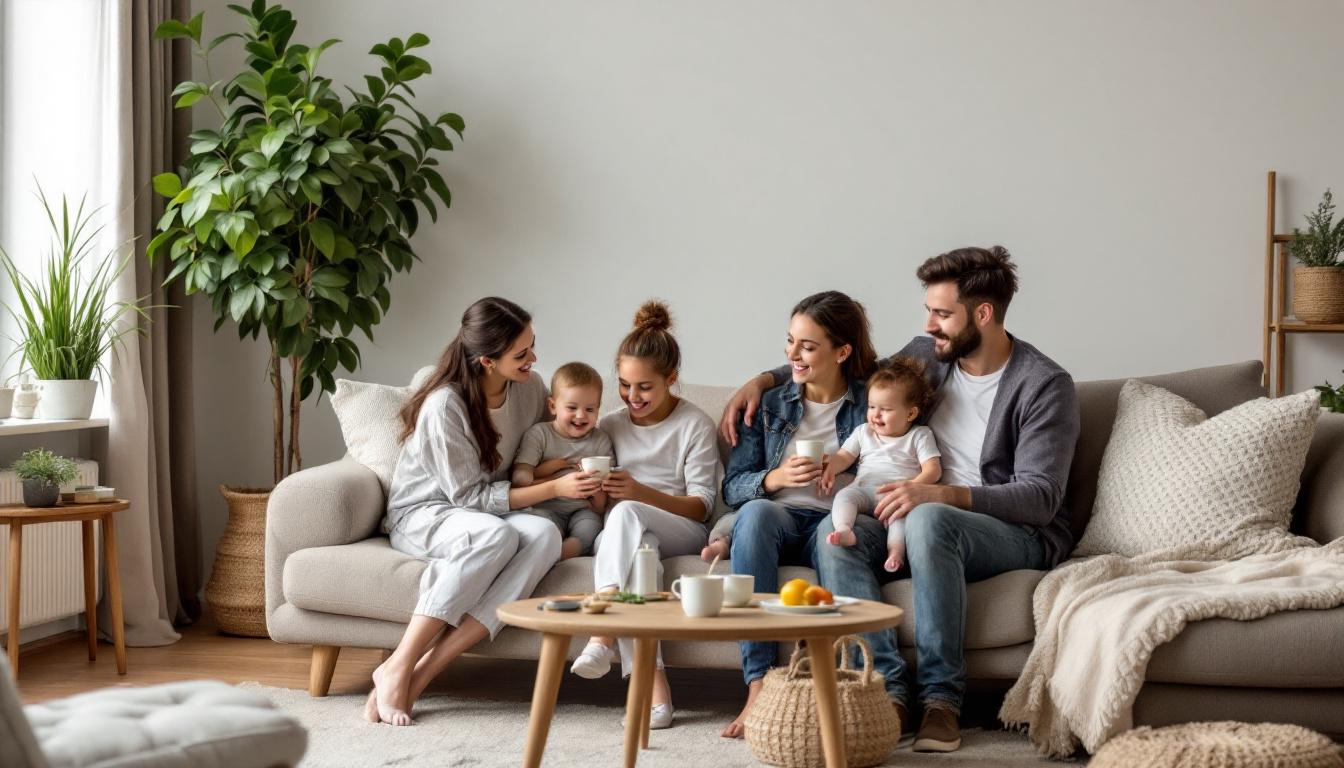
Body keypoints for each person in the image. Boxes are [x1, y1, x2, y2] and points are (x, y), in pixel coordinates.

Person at [719, 247, 1080, 752]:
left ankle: (941, 700)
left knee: (932, 519)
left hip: (1012, 532)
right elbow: (847, 364)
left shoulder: (1043, 385)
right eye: (928, 310)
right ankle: (886, 691)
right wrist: (764, 380)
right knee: (834, 532)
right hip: (908, 511)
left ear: (983, 314)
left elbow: (1040, 499)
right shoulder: (928, 355)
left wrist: (938, 493)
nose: (929, 324)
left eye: (942, 313)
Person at [367, 297, 600, 726]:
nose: (534, 359)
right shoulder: (445, 406)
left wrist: (569, 473)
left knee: (545, 536)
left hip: (488, 512)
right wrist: (554, 487)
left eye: (532, 346)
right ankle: (400, 662)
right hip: (426, 513)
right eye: (522, 353)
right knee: (498, 536)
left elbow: (540, 447)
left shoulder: (529, 389)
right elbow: (469, 499)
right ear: (486, 361)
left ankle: (422, 674)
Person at [717, 290, 880, 739]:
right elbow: (733, 488)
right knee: (754, 514)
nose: (792, 354)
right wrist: (775, 479)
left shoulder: (874, 402)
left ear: (842, 352)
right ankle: (758, 684)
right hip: (781, 518)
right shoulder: (769, 404)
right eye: (790, 341)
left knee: (834, 532)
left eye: (807, 346)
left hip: (839, 518)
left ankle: (865, 690)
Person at [568, 301, 722, 731]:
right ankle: (654, 694)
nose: (632, 398)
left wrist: (639, 492)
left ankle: (601, 630)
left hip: (683, 526)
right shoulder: (611, 425)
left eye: (644, 388)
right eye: (623, 385)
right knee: (643, 554)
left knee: (633, 514)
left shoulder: (694, 424)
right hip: (623, 535)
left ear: (671, 379)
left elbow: (702, 506)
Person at [819, 357, 941, 572]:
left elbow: (933, 469)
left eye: (885, 409)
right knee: (844, 496)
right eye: (872, 406)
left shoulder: (919, 435)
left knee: (900, 520)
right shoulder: (863, 431)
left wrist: (911, 488)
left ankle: (895, 552)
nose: (875, 414)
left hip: (896, 496)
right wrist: (828, 466)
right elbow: (844, 456)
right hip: (864, 491)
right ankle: (845, 529)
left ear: (911, 413)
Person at [511, 362, 614, 559]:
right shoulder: (539, 434)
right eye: (572, 407)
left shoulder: (600, 440)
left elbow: (605, 490)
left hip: (583, 509)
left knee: (591, 527)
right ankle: (550, 546)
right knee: (541, 525)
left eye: (590, 409)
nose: (581, 415)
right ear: (552, 406)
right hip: (545, 506)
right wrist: (547, 471)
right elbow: (519, 477)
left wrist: (600, 502)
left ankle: (566, 551)